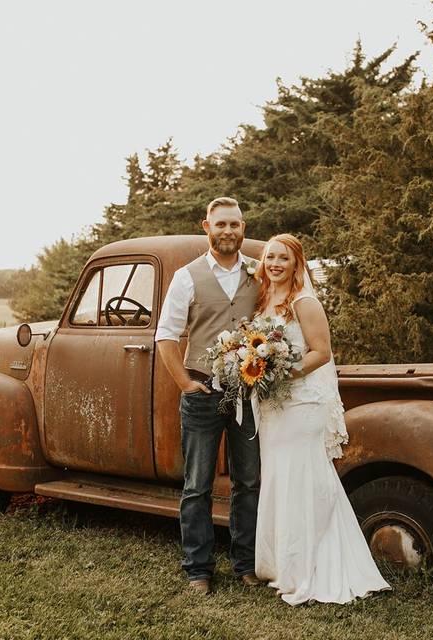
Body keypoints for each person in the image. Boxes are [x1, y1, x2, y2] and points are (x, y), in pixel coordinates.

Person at [252, 233, 392, 605]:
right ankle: (286, 564)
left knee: (303, 478)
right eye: (270, 257)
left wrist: (282, 373)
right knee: (280, 478)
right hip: (273, 408)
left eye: (283, 258)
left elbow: (322, 352)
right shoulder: (266, 299)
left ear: (297, 263)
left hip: (301, 404)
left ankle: (313, 568)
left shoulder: (305, 301)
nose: (275, 264)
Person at [154, 197, 262, 595]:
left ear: (243, 227)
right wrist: (185, 382)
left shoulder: (258, 273)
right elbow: (165, 335)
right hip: (202, 392)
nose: (228, 231)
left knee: (248, 481)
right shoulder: (187, 276)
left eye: (234, 224)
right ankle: (198, 569)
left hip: (249, 393)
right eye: (221, 224)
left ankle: (246, 564)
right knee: (197, 485)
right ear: (207, 226)